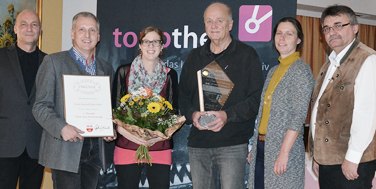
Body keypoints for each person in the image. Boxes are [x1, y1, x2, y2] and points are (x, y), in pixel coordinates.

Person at [179, 2, 264, 189]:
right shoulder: (194, 57)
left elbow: (256, 99)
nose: (214, 25)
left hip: (233, 145)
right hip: (198, 144)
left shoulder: (247, 55)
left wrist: (227, 116)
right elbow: (182, 97)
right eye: (209, 21)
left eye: (219, 20)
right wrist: (192, 114)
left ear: (230, 24)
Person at [32, 12, 116, 188]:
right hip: (64, 150)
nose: (87, 35)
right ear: (72, 33)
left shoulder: (105, 68)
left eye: (92, 30)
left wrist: (110, 127)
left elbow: (107, 108)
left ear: (99, 36)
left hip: (94, 152)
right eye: (82, 29)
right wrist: (61, 127)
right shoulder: (53, 62)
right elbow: (40, 106)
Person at [309, 5, 376, 189]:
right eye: (327, 28)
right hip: (328, 161)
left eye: (339, 25)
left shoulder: (367, 59)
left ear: (355, 28)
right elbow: (321, 113)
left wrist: (353, 157)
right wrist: (318, 157)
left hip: (351, 161)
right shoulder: (327, 65)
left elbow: (367, 113)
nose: (332, 32)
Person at [247, 17, 314, 189]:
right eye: (279, 33)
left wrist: (284, 153)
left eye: (288, 34)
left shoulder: (300, 70)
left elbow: (297, 117)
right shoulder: (273, 71)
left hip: (283, 150)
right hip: (262, 147)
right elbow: (264, 114)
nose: (282, 38)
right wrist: (255, 148)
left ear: (298, 40)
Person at [111, 26, 178, 189]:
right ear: (139, 45)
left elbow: (173, 113)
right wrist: (134, 137)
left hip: (159, 146)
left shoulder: (170, 75)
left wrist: (155, 137)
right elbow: (114, 112)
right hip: (127, 144)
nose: (151, 46)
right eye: (146, 42)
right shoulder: (123, 72)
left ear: (162, 47)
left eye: (156, 42)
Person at [0, 9, 46, 189]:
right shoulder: (1, 57)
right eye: (24, 24)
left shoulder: (49, 62)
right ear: (16, 30)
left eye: (34, 24)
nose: (29, 28)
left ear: (40, 30)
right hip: (4, 144)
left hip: (37, 146)